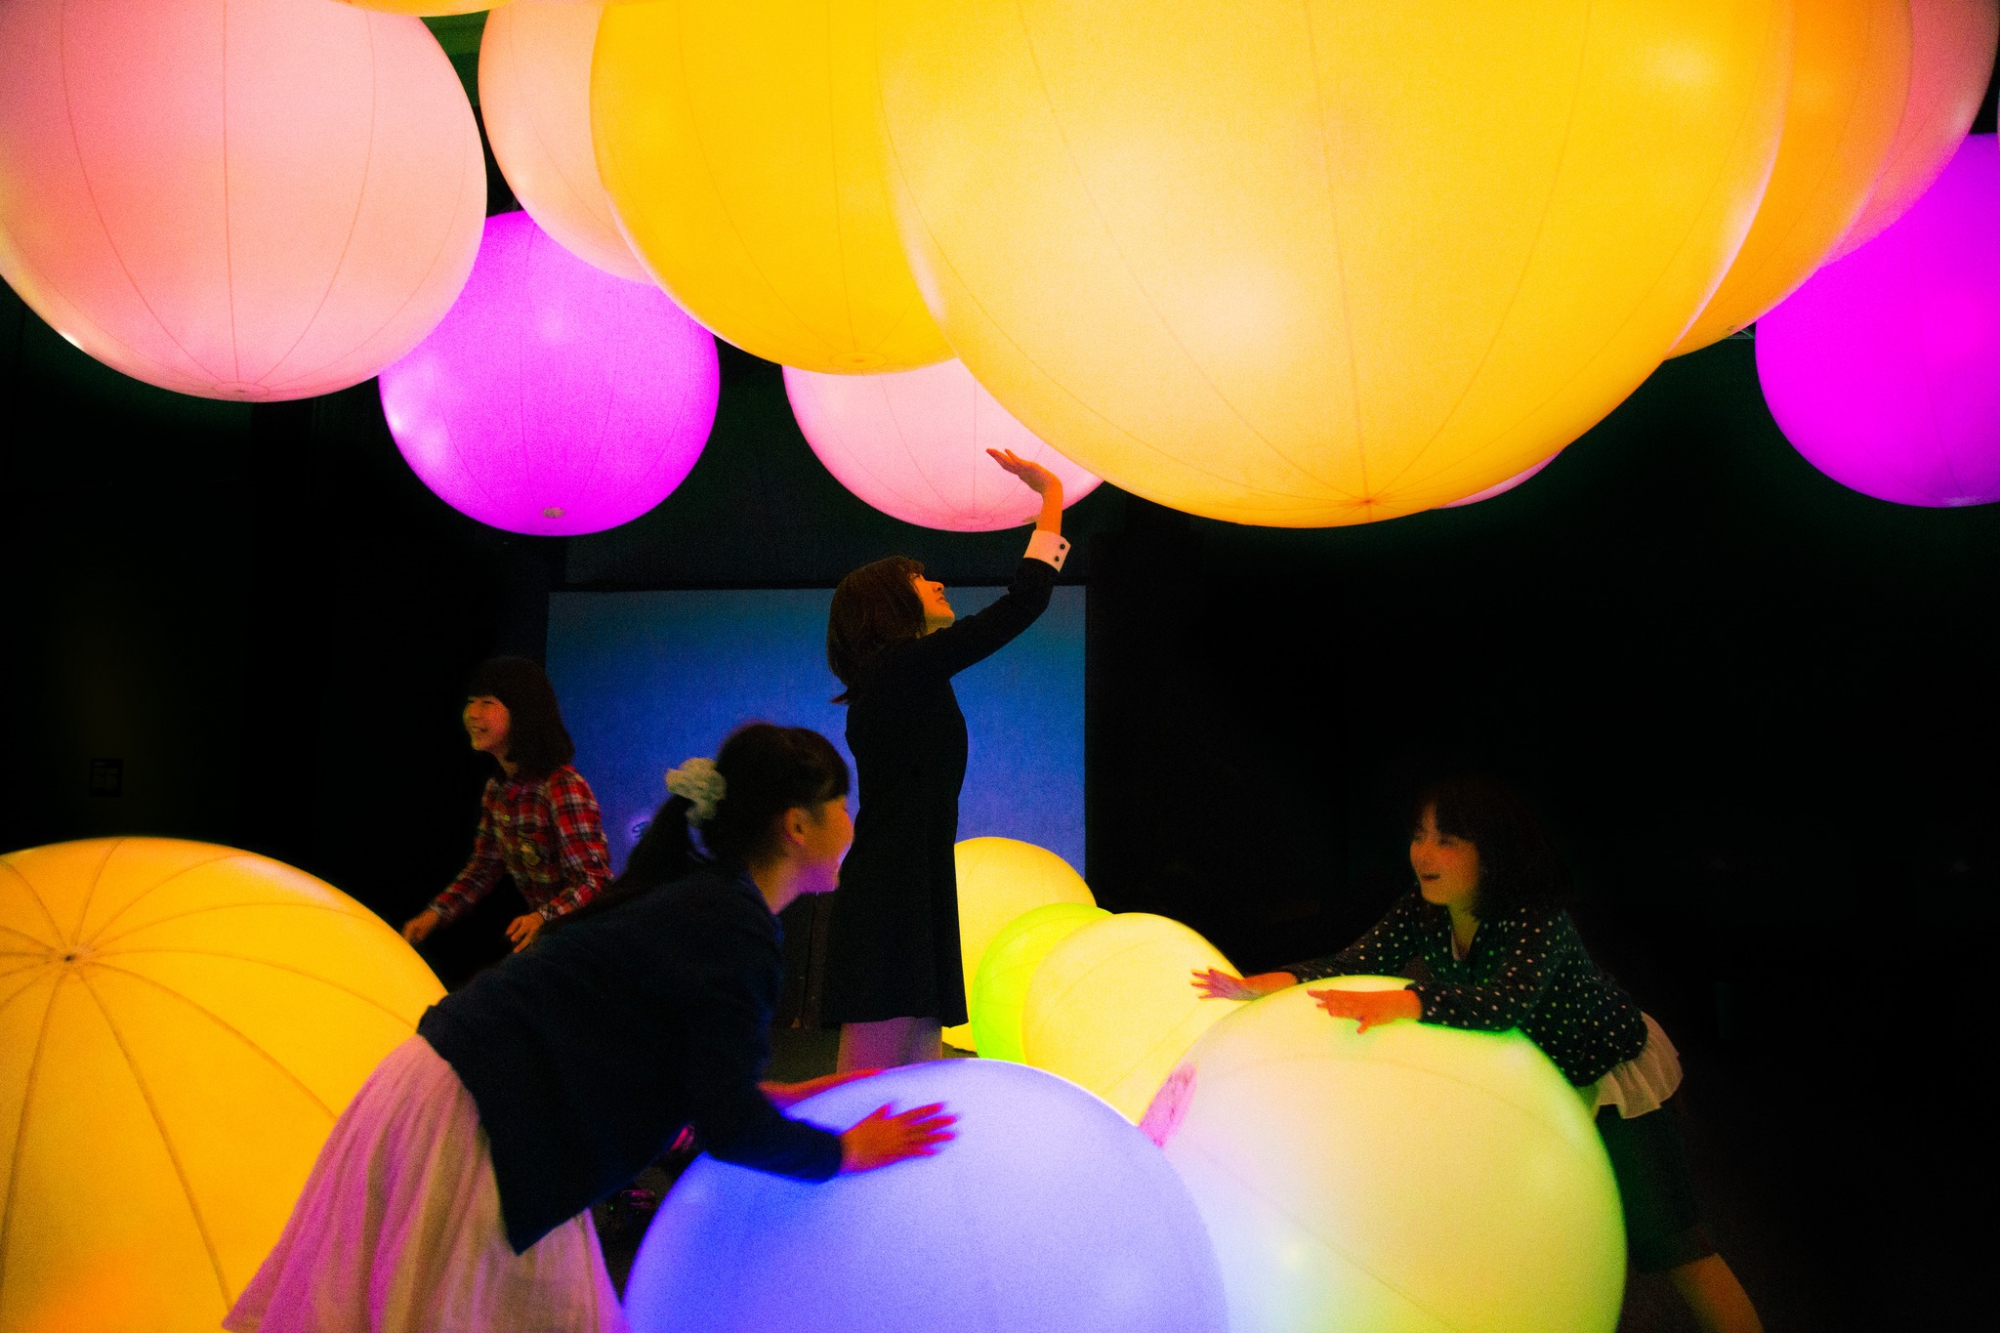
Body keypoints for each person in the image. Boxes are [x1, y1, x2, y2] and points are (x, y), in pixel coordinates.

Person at [226, 723, 956, 1333]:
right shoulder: (733, 924)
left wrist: (779, 1096)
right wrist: (847, 1149)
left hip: (465, 1104)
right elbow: (727, 1126)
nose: (852, 823)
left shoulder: (703, 900)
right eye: (842, 805)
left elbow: (655, 1063)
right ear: (797, 826)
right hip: (483, 1126)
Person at [1192, 775, 1764, 1333]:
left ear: (1491, 853)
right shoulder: (1425, 908)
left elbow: (1502, 1004)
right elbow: (1356, 961)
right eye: (1419, 835)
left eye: (1447, 839)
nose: (1423, 853)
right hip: (1534, 1086)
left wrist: (1408, 1001)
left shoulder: (1536, 919)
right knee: (1531, 1244)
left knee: (1674, 1248)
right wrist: (1275, 981)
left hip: (1609, 1078)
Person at [820, 448, 1071, 1072]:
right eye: (917, 578)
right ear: (887, 604)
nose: (936, 583)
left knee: (917, 1074)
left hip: (911, 880)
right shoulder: (898, 671)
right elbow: (1022, 604)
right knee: (874, 1082)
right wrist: (1051, 498)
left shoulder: (905, 676)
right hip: (892, 888)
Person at [402, 657, 612, 955]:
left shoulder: (561, 786)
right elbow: (483, 867)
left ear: (523, 712)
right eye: (471, 701)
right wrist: (435, 914)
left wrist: (542, 917)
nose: (472, 713)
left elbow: (594, 880)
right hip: (552, 944)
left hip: (586, 943)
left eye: (487, 702)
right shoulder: (497, 789)